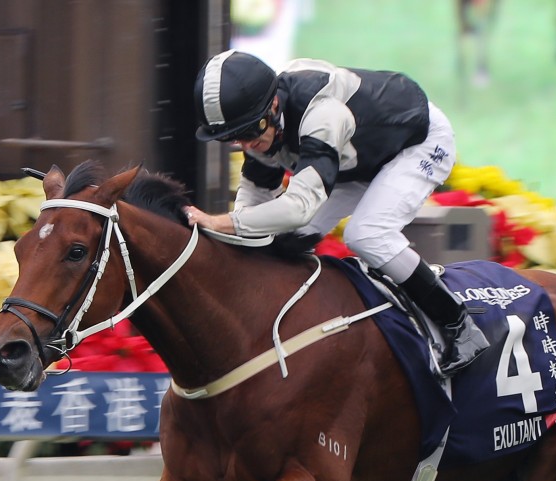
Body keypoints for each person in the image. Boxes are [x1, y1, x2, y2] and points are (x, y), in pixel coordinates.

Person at [184, 50, 488, 376]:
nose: (245, 145)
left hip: (417, 143)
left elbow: (299, 207)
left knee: (366, 235)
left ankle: (458, 325)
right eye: (232, 138)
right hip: (356, 157)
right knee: (285, 240)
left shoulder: (322, 115)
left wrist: (221, 222)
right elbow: (255, 200)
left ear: (273, 107)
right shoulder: (263, 121)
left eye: (247, 133)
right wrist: (234, 238)